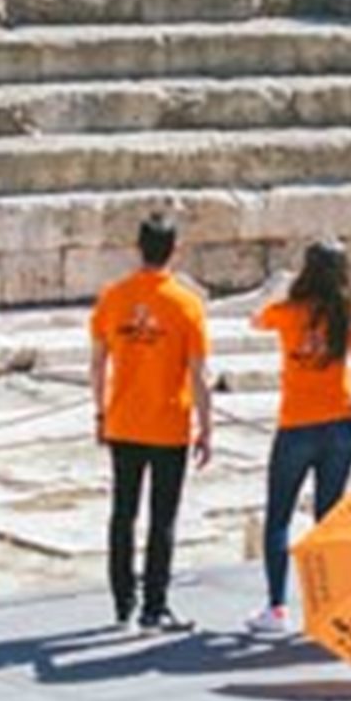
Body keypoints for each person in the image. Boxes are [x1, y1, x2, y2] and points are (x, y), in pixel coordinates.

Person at [89, 212, 213, 634]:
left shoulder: (113, 297)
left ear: (137, 248)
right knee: (162, 519)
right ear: (174, 250)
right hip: (169, 425)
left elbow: (97, 362)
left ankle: (123, 603)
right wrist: (207, 426)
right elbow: (198, 373)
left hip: (124, 420)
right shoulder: (187, 305)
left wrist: (100, 411)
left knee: (122, 514)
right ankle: (153, 607)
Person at [246, 239, 351, 637]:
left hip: (297, 426)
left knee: (279, 517)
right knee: (328, 519)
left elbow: (255, 319)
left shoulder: (287, 313)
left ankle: (277, 606)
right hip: (340, 425)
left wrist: (277, 286)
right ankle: (329, 605)